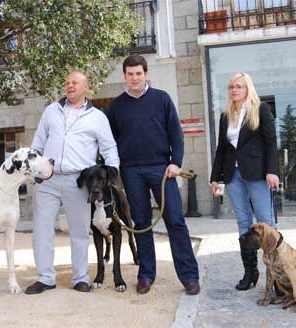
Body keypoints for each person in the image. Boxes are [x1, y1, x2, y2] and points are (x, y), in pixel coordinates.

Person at [106, 55, 200, 295]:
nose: (135, 78)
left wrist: (176, 163)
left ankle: (189, 276)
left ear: (146, 74)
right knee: (142, 223)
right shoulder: (115, 107)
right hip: (131, 171)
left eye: (139, 73)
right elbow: (110, 142)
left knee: (176, 222)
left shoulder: (162, 99)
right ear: (124, 76)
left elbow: (176, 134)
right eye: (130, 74)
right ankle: (146, 274)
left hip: (162, 169)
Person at [25, 71, 119, 294]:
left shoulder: (98, 117)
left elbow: (109, 148)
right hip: (47, 179)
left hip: (78, 181)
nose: (69, 86)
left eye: (74, 83)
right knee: (42, 229)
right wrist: (34, 170)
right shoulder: (51, 111)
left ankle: (80, 278)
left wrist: (113, 177)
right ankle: (45, 278)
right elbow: (38, 144)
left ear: (86, 88)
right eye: (66, 82)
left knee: (78, 231)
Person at [209, 72, 279, 291]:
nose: (234, 90)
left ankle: (276, 277)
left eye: (239, 86)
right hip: (233, 175)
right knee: (243, 222)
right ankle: (250, 272)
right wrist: (215, 177)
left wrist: (272, 171)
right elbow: (221, 148)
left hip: (257, 173)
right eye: (231, 87)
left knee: (266, 223)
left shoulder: (261, 110)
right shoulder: (225, 116)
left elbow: (270, 142)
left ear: (248, 88)